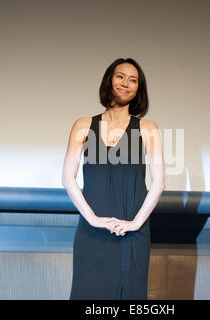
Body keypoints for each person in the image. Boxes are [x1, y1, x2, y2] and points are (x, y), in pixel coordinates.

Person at [62, 58, 165, 300]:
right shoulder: (83, 125)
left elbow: (159, 182)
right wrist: (93, 220)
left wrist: (135, 223)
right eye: (120, 76)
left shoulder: (148, 128)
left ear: (139, 89)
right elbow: (68, 178)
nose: (125, 83)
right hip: (92, 230)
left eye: (133, 80)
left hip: (131, 231)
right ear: (110, 79)